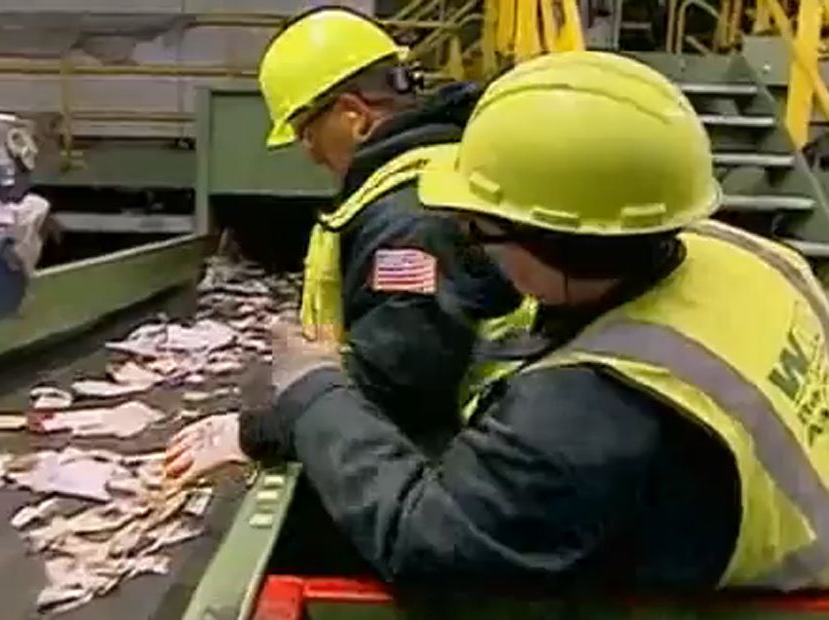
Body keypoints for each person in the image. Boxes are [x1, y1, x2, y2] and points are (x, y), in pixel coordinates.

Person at [171, 51, 829, 590]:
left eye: (480, 230)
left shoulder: (588, 409)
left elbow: (427, 541)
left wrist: (312, 390)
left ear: (548, 247)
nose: (468, 243)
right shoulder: (754, 256)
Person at [255, 6, 523, 441]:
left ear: (354, 115)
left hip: (459, 456)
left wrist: (259, 432)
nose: (310, 153)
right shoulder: (433, 176)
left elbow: (399, 383)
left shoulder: (410, 218)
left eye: (307, 132)